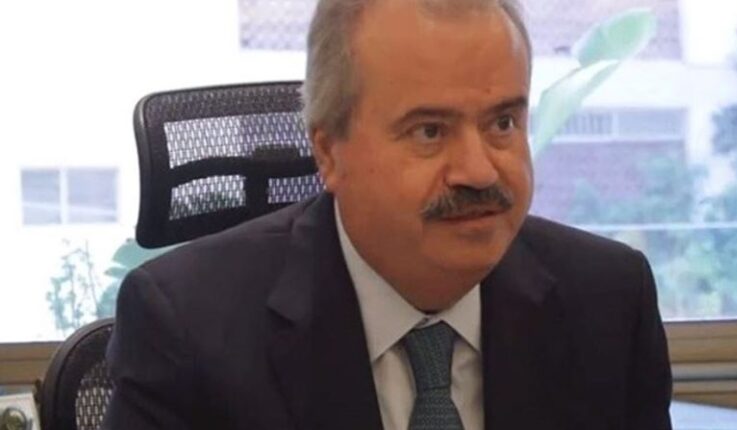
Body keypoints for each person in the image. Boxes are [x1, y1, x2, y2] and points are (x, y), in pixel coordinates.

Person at [103, 0, 673, 428]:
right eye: (430, 132)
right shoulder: (188, 328)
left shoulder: (608, 301)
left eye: (503, 123)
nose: (479, 171)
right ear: (329, 152)